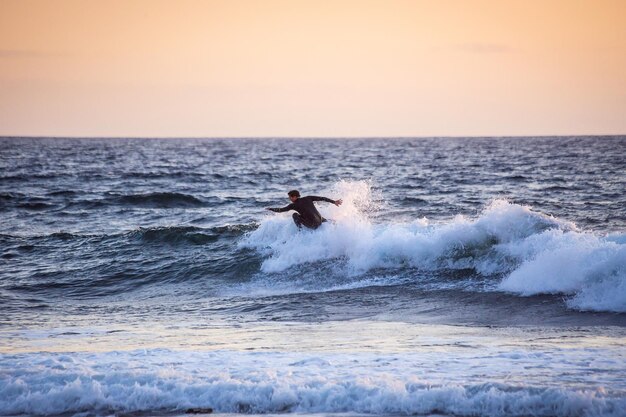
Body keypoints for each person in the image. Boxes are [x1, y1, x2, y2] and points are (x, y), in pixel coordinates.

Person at [266, 190, 342, 229]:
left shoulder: (293, 205)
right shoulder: (308, 198)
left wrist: (271, 209)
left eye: (290, 197)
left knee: (295, 215)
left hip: (313, 225)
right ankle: (333, 223)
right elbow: (322, 198)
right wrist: (334, 202)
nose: (290, 199)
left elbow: (281, 210)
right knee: (315, 214)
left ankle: (300, 230)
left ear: (295, 197)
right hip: (320, 221)